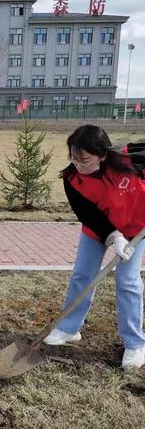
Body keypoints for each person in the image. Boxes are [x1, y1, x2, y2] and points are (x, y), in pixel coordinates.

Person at [44, 125, 145, 368]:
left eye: (85, 159)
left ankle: (135, 344)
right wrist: (113, 236)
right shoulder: (72, 179)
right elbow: (87, 214)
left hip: (135, 230)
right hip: (98, 230)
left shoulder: (132, 159)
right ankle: (69, 328)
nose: (79, 164)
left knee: (128, 280)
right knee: (82, 275)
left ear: (102, 154)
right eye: (74, 158)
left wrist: (124, 237)